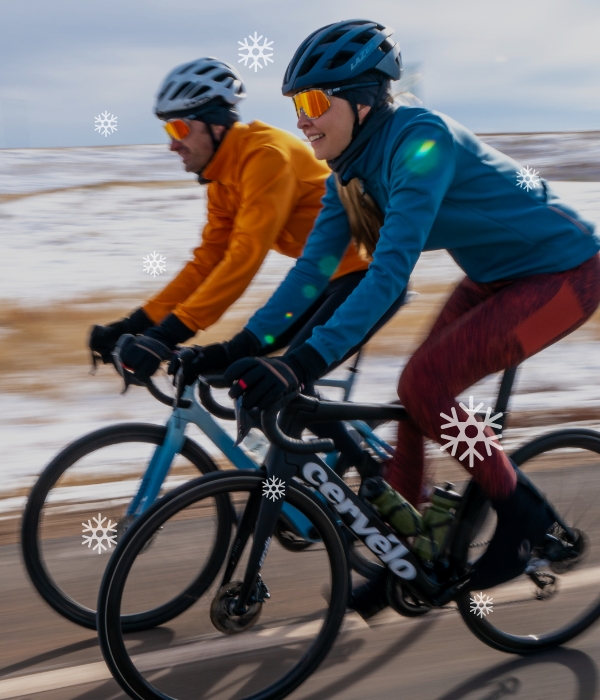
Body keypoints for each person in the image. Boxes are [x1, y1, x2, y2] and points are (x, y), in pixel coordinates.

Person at [218, 19, 600, 601]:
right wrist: (243, 346)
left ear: (364, 102)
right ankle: (412, 554)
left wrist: (301, 364)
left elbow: (389, 272)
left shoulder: (421, 143)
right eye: (297, 103)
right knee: (414, 400)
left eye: (315, 101)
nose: (302, 117)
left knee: (424, 383)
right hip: (497, 277)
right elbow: (313, 271)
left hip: (568, 273)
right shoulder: (348, 172)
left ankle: (525, 517)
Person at [91, 56, 406, 471]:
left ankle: (367, 474)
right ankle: (304, 488)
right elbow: (207, 262)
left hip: (362, 279)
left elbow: (244, 257)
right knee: (252, 378)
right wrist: (136, 324)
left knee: (279, 378)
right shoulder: (224, 178)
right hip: (319, 283)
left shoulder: (265, 156)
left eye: (180, 127)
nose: (172, 142)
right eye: (168, 129)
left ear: (216, 124)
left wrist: (168, 334)